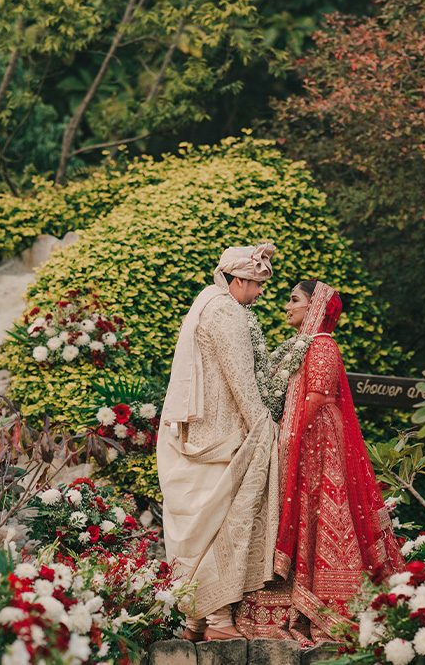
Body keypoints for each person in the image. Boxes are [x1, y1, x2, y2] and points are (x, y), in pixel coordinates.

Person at [234, 279, 404, 644]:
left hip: (316, 446)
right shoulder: (304, 345)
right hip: (306, 443)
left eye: (294, 300)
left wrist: (289, 442)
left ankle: (321, 606)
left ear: (314, 307)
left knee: (318, 514)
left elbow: (315, 398)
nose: (287, 306)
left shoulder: (322, 345)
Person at [157, 243, 282, 641]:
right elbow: (240, 378)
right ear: (240, 279)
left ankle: (194, 623)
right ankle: (219, 622)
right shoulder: (228, 313)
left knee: (202, 524)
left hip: (199, 434)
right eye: (258, 284)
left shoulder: (206, 302)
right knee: (224, 526)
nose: (261, 292)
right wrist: (263, 424)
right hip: (224, 436)